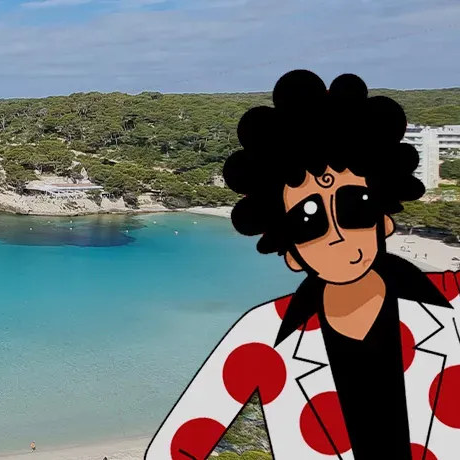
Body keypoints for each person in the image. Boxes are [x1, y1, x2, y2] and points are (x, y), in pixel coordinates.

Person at [143, 69, 460, 460]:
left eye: (354, 207)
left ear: (385, 219)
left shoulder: (455, 304)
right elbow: (175, 446)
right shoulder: (261, 339)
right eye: (308, 222)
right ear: (291, 252)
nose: (338, 233)